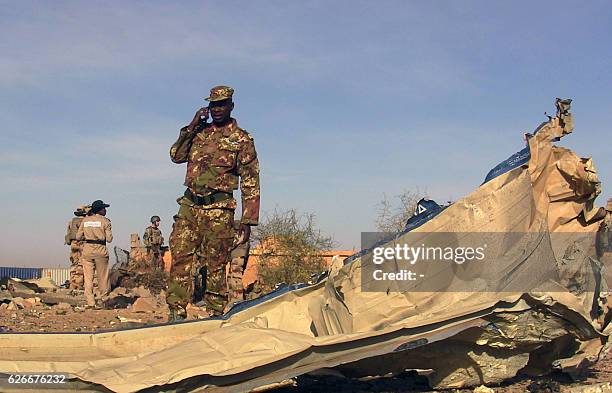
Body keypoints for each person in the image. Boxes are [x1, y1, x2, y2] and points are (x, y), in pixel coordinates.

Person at [167, 85, 260, 318]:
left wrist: (247, 221)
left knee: (216, 263)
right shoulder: (198, 133)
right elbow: (176, 156)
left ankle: (216, 313)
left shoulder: (241, 139)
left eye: (221, 104)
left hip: (219, 209)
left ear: (231, 106)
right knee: (180, 257)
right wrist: (191, 125)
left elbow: (250, 181)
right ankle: (176, 313)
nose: (217, 109)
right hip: (189, 205)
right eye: (213, 104)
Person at [76, 199, 113, 308]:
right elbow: (110, 239)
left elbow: (78, 237)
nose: (105, 210)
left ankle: (90, 302)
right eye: (104, 208)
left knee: (88, 278)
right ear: (100, 210)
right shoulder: (106, 221)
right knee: (103, 277)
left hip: (87, 250)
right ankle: (103, 300)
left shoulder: (85, 221)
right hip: (100, 249)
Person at [64, 205, 90, 290]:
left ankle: (73, 285)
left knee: (74, 265)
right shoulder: (86, 221)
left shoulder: (71, 222)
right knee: (82, 265)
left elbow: (68, 236)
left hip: (73, 244)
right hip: (83, 244)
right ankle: (79, 286)